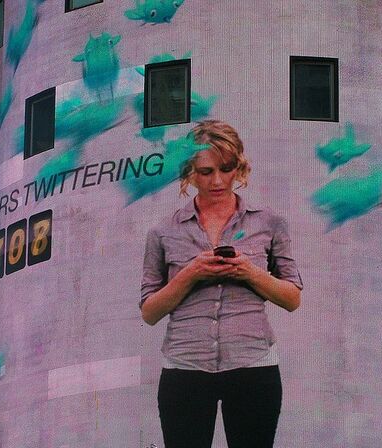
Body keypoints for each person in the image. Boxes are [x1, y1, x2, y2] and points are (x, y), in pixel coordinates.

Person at [140, 120, 303, 448]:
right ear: (190, 171)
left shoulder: (269, 223)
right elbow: (149, 312)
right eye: (205, 171)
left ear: (239, 166)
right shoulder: (162, 232)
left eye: (226, 168)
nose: (217, 180)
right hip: (185, 366)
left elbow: (291, 298)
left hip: (252, 363)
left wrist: (249, 272)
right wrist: (191, 273)